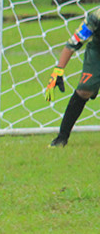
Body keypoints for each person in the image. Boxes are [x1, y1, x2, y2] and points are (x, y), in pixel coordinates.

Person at [44, 8, 100, 147]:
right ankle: (62, 138)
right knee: (84, 89)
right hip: (98, 52)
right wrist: (58, 70)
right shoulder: (95, 18)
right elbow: (73, 42)